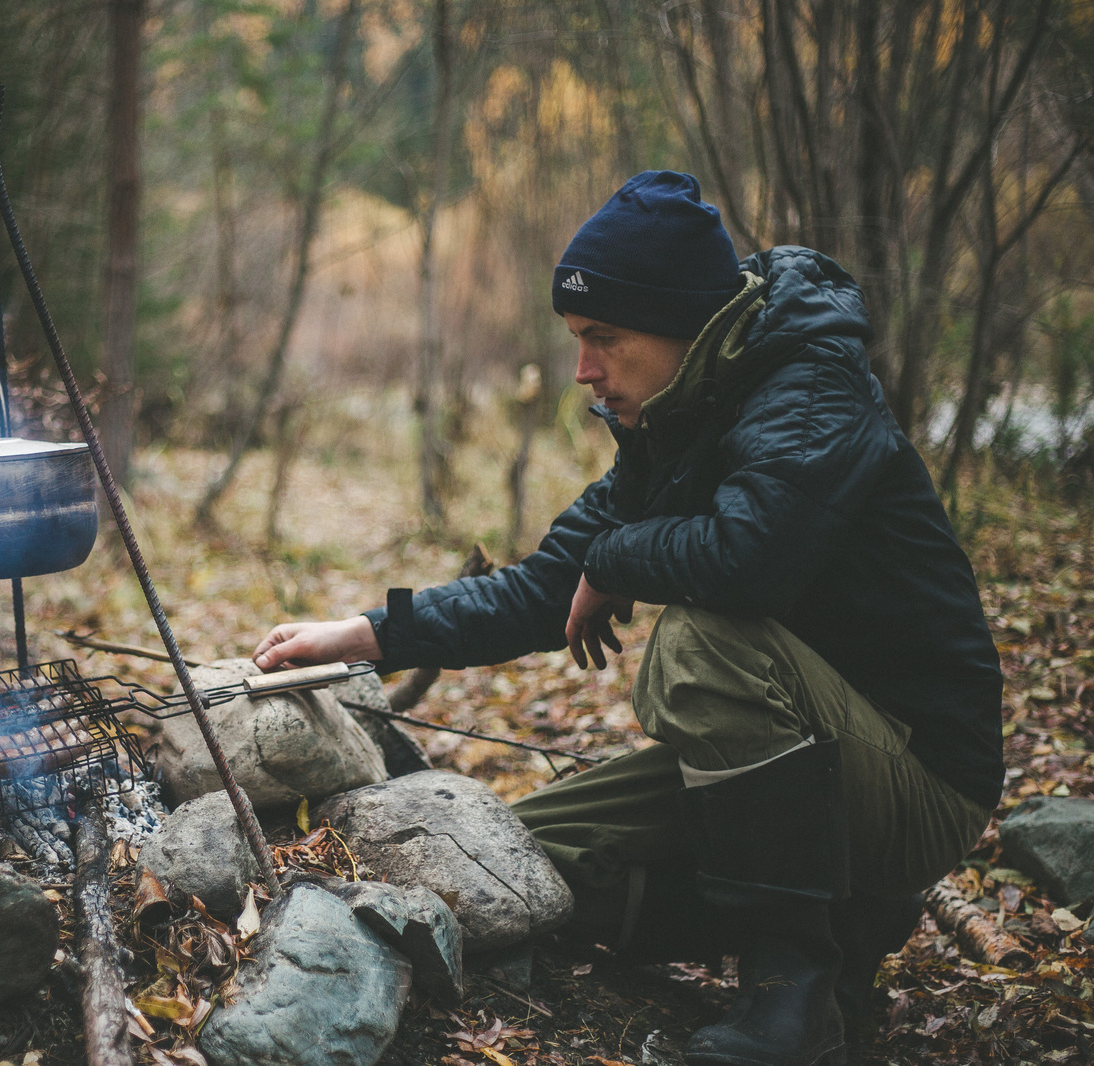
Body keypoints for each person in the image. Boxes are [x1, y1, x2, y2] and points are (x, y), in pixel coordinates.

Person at [252, 171, 1003, 1066]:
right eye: (576, 338)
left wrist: (615, 559)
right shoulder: (674, 416)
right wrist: (364, 635)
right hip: (815, 765)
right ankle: (845, 912)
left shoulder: (810, 390)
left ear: (683, 322)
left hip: (919, 773)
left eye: (603, 338)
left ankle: (791, 996)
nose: (584, 369)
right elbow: (542, 588)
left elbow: (750, 561)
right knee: (523, 862)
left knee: (700, 644)